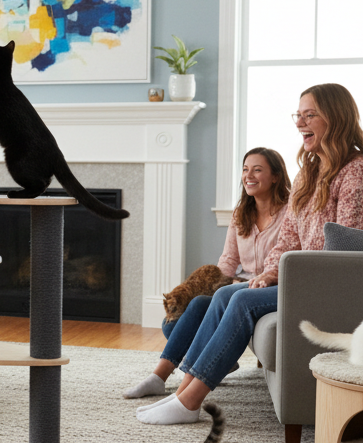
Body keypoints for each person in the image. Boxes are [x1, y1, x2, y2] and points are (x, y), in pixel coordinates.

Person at [135, 83, 363, 425]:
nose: (300, 123)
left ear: (337, 118)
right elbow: (288, 238)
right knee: (227, 293)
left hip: (332, 285)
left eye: (310, 115)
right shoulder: (308, 174)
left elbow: (345, 250)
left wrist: (287, 276)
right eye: (297, 115)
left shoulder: (358, 172)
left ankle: (191, 401)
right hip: (301, 278)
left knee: (241, 302)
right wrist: (269, 273)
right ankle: (183, 393)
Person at [123, 147, 291, 399]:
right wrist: (218, 284)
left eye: (257, 170)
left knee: (197, 312)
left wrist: (250, 281)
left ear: (276, 176)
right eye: (245, 169)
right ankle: (161, 376)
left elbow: (286, 257)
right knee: (175, 323)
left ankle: (161, 377)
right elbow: (228, 260)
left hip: (267, 286)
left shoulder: (290, 212)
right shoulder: (240, 214)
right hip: (237, 284)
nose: (249, 175)